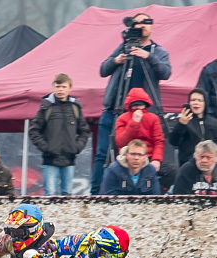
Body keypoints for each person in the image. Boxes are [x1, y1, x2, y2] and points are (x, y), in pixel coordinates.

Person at [91, 12, 171, 195]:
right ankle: (95, 194)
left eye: (146, 22)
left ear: (151, 26)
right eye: (137, 23)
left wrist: (147, 56)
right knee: (102, 155)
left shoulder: (158, 51)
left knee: (138, 155)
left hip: (142, 112)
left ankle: (144, 193)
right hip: (114, 108)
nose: (141, 26)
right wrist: (116, 60)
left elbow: (166, 72)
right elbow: (103, 70)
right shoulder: (123, 48)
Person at [28, 73, 90, 195]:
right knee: (49, 194)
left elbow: (84, 131)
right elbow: (34, 130)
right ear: (53, 87)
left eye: (63, 87)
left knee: (67, 194)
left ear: (69, 88)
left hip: (69, 158)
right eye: (57, 86)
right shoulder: (46, 107)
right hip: (50, 159)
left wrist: (76, 147)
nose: (60, 90)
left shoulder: (75, 108)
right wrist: (46, 148)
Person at [169, 88, 217, 167]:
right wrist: (181, 125)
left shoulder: (213, 123)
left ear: (205, 103)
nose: (196, 103)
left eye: (199, 100)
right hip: (189, 164)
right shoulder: (184, 121)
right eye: (193, 100)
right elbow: (174, 142)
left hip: (211, 164)